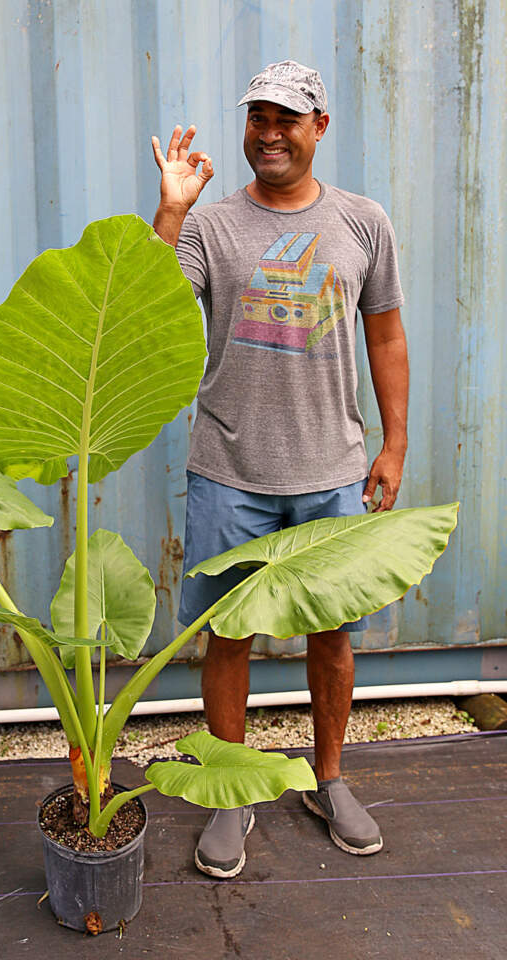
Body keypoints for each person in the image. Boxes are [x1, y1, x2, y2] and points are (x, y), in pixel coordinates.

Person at [151, 60, 409, 878]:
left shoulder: (364, 222)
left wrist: (394, 445)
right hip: (229, 469)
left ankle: (328, 780)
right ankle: (231, 795)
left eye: (286, 118)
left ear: (319, 127)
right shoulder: (210, 226)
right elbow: (151, 312)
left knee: (333, 637)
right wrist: (168, 211)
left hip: (331, 469)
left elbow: (388, 338)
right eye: (257, 116)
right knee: (228, 637)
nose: (268, 133)